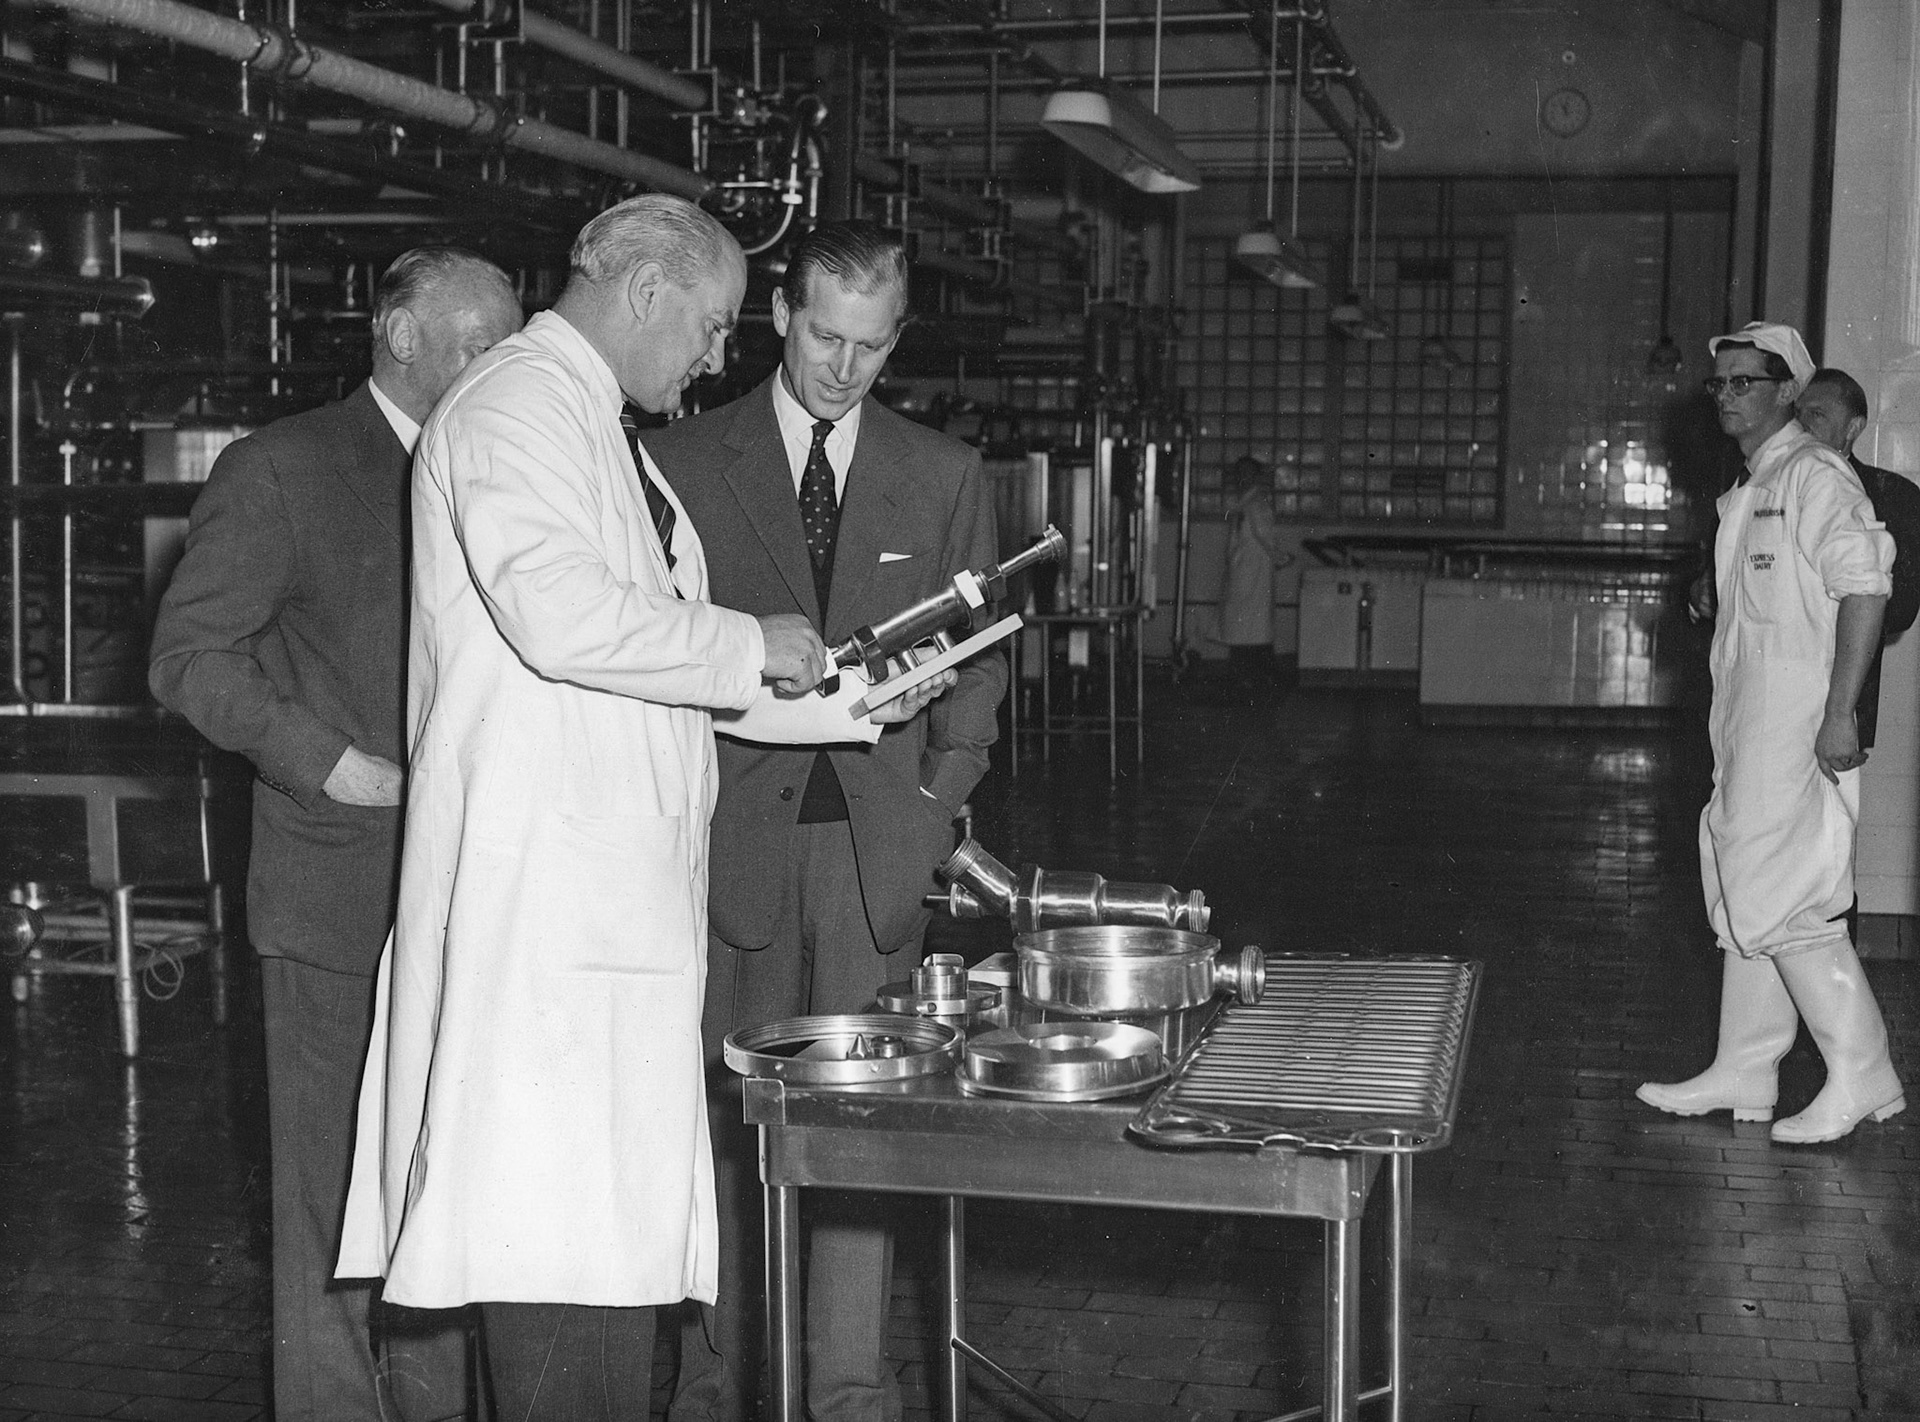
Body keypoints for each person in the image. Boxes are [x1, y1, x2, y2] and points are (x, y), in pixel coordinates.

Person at [334, 195, 830, 1419]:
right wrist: (745, 644)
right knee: (562, 1279)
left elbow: (646, 666)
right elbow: (561, 617)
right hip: (549, 929)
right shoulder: (513, 406)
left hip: (603, 918)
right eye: (712, 324)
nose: (716, 355)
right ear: (647, 291)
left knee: (603, 1279)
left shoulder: (600, 429)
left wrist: (831, 700)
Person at [149, 246, 523, 1422]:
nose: (501, 369)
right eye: (480, 345)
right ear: (401, 336)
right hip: (338, 896)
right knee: (327, 1209)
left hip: (476, 896)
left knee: (437, 1196)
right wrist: (325, 761)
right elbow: (187, 657)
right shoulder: (283, 469)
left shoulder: (504, 469)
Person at [648, 220, 1005, 1422]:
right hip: (723, 851)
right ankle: (714, 1388)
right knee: (723, 1128)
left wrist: (937, 802)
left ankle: (846, 1393)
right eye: (823, 337)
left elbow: (981, 664)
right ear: (780, 317)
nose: (843, 369)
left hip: (875, 857)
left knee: (857, 1138)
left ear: (897, 341)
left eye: (871, 346)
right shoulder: (679, 461)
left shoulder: (943, 474)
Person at [1637, 321, 1906, 1145]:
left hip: (1796, 729)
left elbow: (1867, 588)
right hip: (1746, 725)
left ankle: (1863, 1070)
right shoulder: (1755, 485)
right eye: (1719, 383)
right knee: (1740, 884)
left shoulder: (1813, 475)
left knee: (1788, 896)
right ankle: (1746, 1067)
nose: (1727, 396)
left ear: (1788, 390)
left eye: (1745, 382)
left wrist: (1839, 714)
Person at [1796, 367, 1920, 750]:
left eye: (1816, 415)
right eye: (1797, 414)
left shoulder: (1894, 496)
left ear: (1854, 428)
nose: (1801, 426)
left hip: (1843, 701)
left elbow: (1901, 611)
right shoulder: (1766, 484)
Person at [1219, 454, 1293, 687]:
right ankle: (1251, 675)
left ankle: (1253, 676)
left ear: (1256, 476)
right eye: (1239, 473)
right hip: (1245, 571)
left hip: (1253, 572)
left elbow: (1265, 536)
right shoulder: (1245, 503)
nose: (1242, 478)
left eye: (1248, 473)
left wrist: (1281, 558)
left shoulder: (1256, 504)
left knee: (1250, 626)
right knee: (1248, 626)